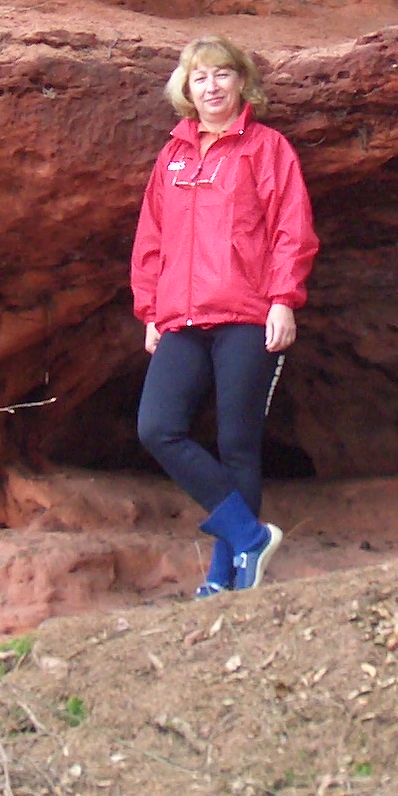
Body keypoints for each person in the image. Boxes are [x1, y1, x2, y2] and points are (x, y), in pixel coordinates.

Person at [131, 35, 319, 597]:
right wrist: (150, 309)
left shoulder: (267, 148)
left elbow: (291, 228)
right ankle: (248, 536)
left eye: (221, 75)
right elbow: (152, 236)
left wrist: (283, 299)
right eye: (199, 77)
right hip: (181, 318)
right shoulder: (173, 155)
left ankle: (226, 576)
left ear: (241, 82)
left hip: (246, 313)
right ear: (186, 89)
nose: (211, 87)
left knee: (237, 444)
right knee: (157, 428)